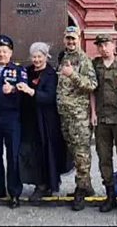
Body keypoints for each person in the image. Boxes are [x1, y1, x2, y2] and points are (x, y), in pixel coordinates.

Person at [17, 42, 72, 205]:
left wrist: (31, 91)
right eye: (34, 57)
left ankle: (47, 184)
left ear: (46, 57)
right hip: (30, 119)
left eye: (39, 56)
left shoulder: (51, 74)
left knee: (47, 151)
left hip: (46, 120)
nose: (36, 60)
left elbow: (50, 97)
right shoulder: (26, 71)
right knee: (32, 153)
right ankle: (38, 182)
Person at [90, 34, 117, 214]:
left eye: (106, 45)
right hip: (102, 120)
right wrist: (92, 113)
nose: (103, 48)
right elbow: (92, 91)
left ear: (113, 46)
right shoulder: (95, 65)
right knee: (104, 159)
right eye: (100, 46)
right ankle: (110, 195)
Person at [56, 25, 97, 211]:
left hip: (79, 116)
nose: (71, 42)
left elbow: (92, 85)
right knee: (74, 153)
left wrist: (73, 75)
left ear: (79, 39)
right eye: (68, 39)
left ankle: (81, 190)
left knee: (82, 154)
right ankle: (86, 186)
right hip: (65, 116)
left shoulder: (84, 60)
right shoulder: (63, 57)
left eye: (73, 39)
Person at [0, 35, 28, 209]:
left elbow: (25, 89)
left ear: (11, 53)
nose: (2, 54)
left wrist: (14, 89)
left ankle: (15, 193)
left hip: (12, 119)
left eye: (5, 51)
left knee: (13, 157)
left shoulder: (19, 70)